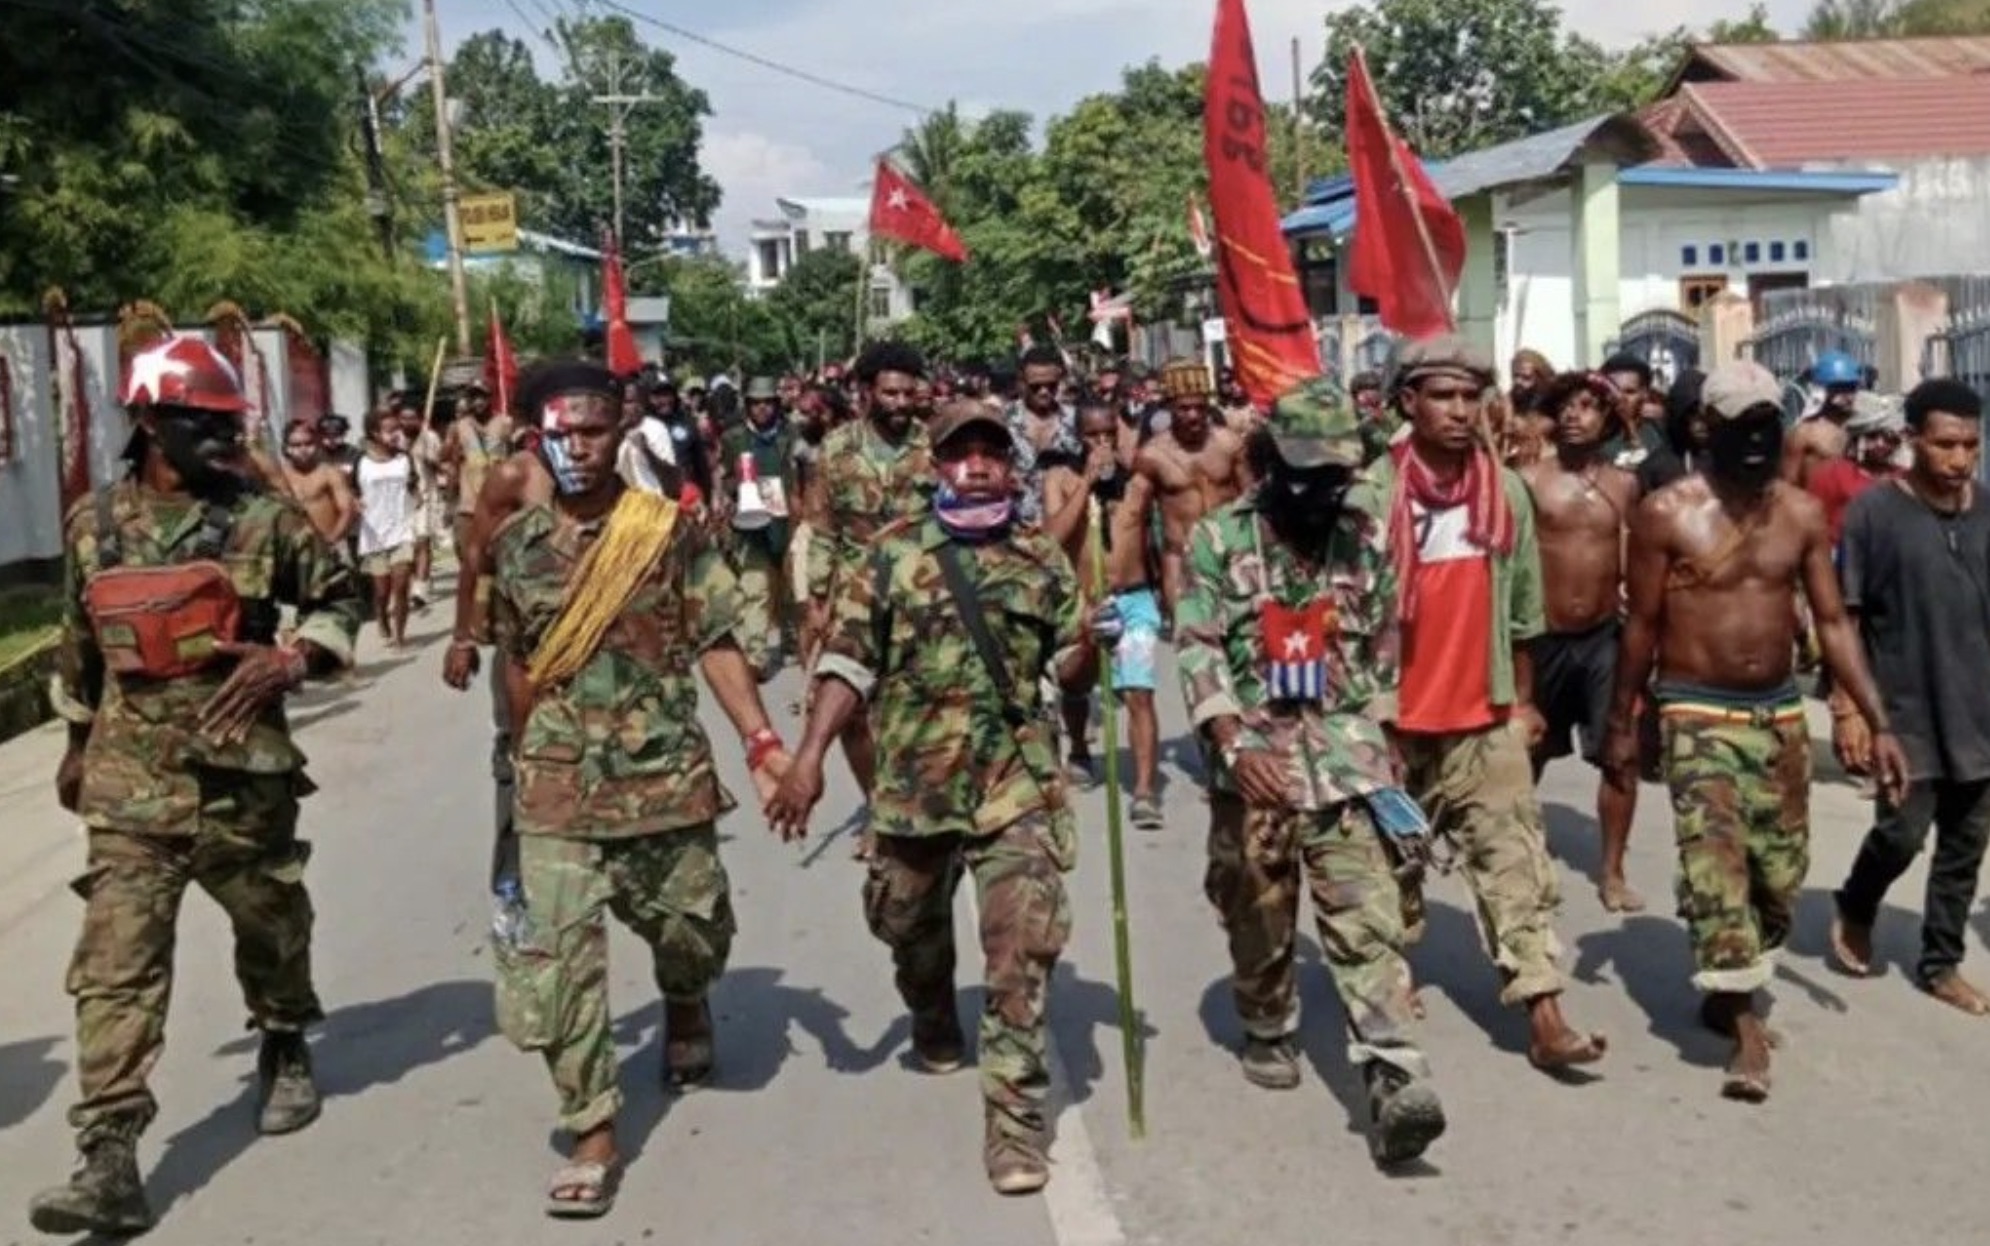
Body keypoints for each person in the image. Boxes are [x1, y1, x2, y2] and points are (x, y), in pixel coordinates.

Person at [32, 337, 361, 1237]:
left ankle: (285, 1038)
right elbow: (78, 646)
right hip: (130, 787)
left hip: (242, 778)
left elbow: (343, 594)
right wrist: (73, 747)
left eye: (228, 422)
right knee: (116, 966)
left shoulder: (265, 521)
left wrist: (295, 658)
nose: (221, 437)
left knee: (272, 928)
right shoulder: (92, 526)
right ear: (146, 421)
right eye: (199, 422)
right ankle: (108, 1155)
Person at [769, 401, 1108, 1196]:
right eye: (963, 454)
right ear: (937, 467)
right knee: (904, 920)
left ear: (1012, 467)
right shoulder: (888, 557)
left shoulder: (1039, 561)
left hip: (1014, 785)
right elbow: (847, 663)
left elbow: (1068, 671)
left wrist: (1094, 642)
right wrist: (809, 758)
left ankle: (1015, 1126)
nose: (979, 465)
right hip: (914, 788)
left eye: (993, 453)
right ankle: (928, 1005)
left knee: (1022, 949)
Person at [485, 360, 790, 1218]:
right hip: (554, 785)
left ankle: (685, 998)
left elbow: (719, 639)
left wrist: (762, 744)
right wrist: (512, 764)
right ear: (537, 437)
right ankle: (591, 1129)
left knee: (692, 930)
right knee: (559, 966)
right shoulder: (516, 546)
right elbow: (518, 661)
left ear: (621, 432)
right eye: (562, 430)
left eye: (593, 429)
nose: (577, 446)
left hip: (660, 775)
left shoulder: (666, 532)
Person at [1604, 360, 1903, 1103]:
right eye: (1743, 425)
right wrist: (1623, 724)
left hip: (1775, 715)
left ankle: (1728, 974)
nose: (1758, 439)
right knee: (1718, 864)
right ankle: (1744, 1029)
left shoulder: (1798, 515)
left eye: (1769, 424)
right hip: (1694, 712)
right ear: (1708, 426)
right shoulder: (1667, 513)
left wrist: (1879, 722)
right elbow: (1639, 628)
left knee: (1778, 874)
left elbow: (1832, 623)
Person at [1177, 376, 1446, 1165]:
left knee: (1367, 920)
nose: (1322, 489)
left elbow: (1385, 645)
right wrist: (1231, 741)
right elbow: (1194, 648)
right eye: (1306, 473)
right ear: (1268, 462)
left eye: (1337, 474)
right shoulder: (1220, 539)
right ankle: (1266, 1020)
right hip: (1253, 762)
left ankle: (1396, 1077)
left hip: (1345, 761)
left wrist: (1388, 741)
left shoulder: (1362, 537)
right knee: (1256, 912)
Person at [1374, 335, 1607, 1074]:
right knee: (1390, 866)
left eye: (1471, 396)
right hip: (1394, 719)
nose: (1459, 410)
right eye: (1442, 395)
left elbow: (1522, 613)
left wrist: (1525, 704)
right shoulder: (1373, 495)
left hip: (1486, 712)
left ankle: (1544, 1011)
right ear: (1409, 403)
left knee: (1515, 862)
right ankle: (1389, 973)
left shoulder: (1503, 492)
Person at [1828, 380, 1990, 1012]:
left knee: (1964, 847)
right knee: (1901, 834)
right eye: (1946, 444)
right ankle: (1857, 900)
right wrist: (1852, 712)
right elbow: (1844, 619)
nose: (1959, 458)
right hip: (1903, 713)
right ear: (1913, 440)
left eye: (1971, 445)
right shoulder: (1875, 513)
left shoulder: (1987, 509)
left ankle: (1940, 962)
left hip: (1977, 711)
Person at [800, 342, 933, 858]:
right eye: (890, 393)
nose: (900, 403)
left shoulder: (933, 445)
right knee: (853, 713)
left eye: (908, 393)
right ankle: (878, 806)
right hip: (856, 595)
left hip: (923, 592)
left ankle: (916, 807)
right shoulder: (836, 449)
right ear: (867, 394)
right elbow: (823, 527)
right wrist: (817, 597)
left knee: (915, 708)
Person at [1519, 372, 1644, 912]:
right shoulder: (1526, 480)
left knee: (1620, 757)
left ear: (1609, 420)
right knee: (1526, 753)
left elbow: (1635, 554)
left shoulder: (1624, 486)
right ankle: (1521, 861)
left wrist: (1629, 595)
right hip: (1542, 637)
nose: (1575, 415)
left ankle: (1612, 870)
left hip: (1603, 640)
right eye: (1566, 406)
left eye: (1589, 406)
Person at [1043, 401, 1165, 827]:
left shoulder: (1138, 482)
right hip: (1084, 602)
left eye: (1109, 434)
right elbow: (1053, 538)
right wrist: (1087, 483)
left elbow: (1159, 537)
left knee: (1139, 692)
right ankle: (1078, 748)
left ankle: (1146, 791)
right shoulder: (1060, 477)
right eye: (1093, 436)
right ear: (1078, 438)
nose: (1103, 444)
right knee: (1077, 680)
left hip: (1133, 599)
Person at [1137, 359, 1249, 622]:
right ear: (1168, 408)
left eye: (1200, 407)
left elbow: (1251, 501)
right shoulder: (1151, 455)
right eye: (1184, 408)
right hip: (1181, 559)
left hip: (1230, 556)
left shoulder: (1229, 444)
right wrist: (1144, 579)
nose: (1193, 416)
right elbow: (1137, 521)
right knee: (1191, 644)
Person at [718, 377, 800, 681]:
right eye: (755, 402)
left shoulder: (793, 434)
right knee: (756, 591)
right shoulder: (733, 438)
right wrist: (738, 488)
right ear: (747, 406)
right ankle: (755, 656)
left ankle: (793, 644)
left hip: (790, 521)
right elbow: (724, 477)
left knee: (793, 590)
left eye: (767, 402)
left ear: (777, 405)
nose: (762, 408)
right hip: (751, 525)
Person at [354, 407, 419, 648]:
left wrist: (417, 496)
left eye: (396, 429)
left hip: (401, 531)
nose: (394, 435)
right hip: (373, 535)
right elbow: (350, 491)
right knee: (382, 591)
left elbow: (413, 485)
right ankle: (381, 615)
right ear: (374, 432)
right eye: (389, 430)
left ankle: (400, 636)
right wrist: (354, 502)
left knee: (401, 585)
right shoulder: (360, 461)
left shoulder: (404, 458)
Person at [1807, 391, 1905, 547]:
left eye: (1888, 438)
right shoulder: (1834, 474)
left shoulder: (1905, 477)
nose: (1880, 443)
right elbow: (1814, 522)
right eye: (1872, 436)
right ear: (1859, 437)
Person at [1004, 343, 1082, 527]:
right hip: (1017, 527)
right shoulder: (1002, 420)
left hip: (1066, 525)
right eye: (1035, 386)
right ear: (1021, 382)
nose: (1044, 391)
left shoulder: (1077, 419)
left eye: (1051, 385)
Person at [441, 381, 513, 566]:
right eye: (473, 397)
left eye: (482, 397)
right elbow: (452, 466)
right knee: (470, 562)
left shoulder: (505, 423)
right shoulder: (459, 427)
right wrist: (449, 504)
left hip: (500, 506)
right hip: (469, 507)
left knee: (501, 562)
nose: (478, 402)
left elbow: (516, 458)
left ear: (490, 398)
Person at [1783, 350, 1865, 487]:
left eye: (1851, 388)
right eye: (1840, 388)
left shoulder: (1864, 426)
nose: (1848, 396)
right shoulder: (1805, 432)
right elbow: (1789, 480)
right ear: (1822, 390)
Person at [277, 417, 358, 547]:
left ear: (316, 445)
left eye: (308, 443)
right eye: (296, 445)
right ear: (287, 448)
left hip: (327, 546)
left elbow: (347, 510)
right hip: (291, 550)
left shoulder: (329, 473)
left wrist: (333, 539)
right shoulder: (279, 475)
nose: (303, 449)